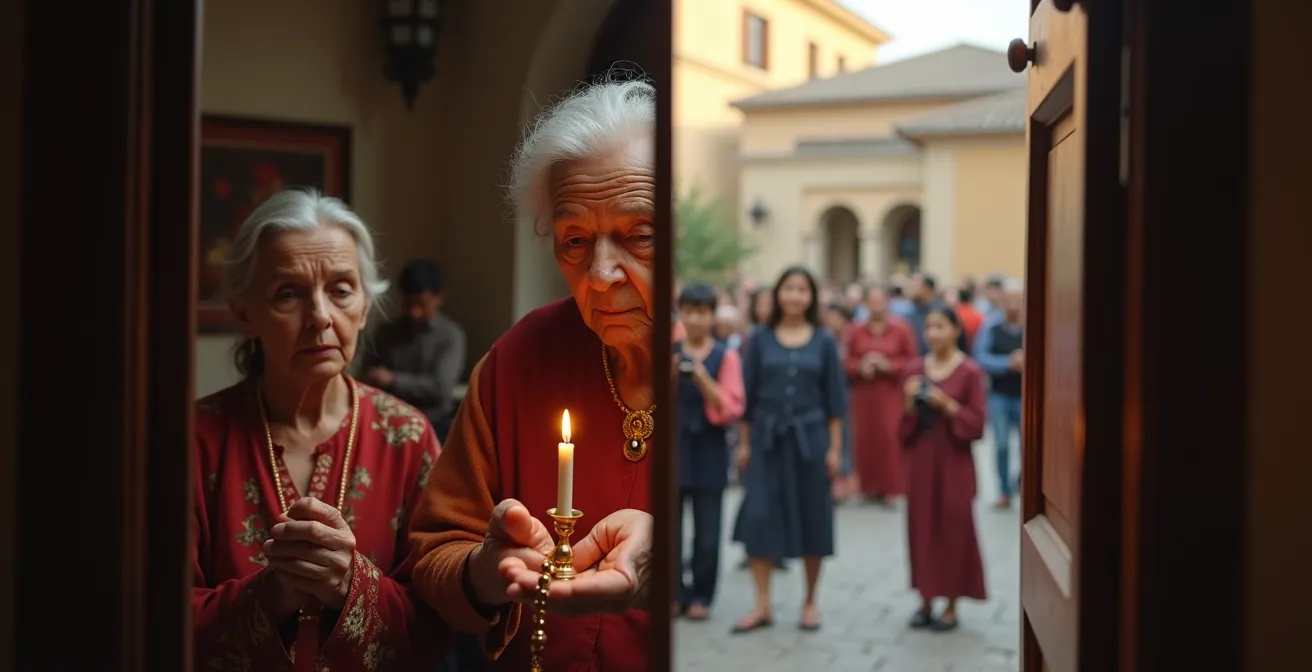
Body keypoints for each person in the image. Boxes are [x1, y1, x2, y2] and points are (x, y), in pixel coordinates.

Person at [404, 78, 660, 671]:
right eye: (575, 239)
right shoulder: (519, 358)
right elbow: (436, 549)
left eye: (639, 235)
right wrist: (485, 573)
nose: (600, 274)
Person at [192, 189, 449, 671]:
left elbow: (436, 622)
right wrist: (270, 594)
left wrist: (349, 584)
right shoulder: (196, 440)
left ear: (365, 307)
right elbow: (152, 619)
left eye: (341, 289)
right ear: (246, 314)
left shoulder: (408, 438)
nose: (320, 317)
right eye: (288, 293)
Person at [731, 266, 849, 634]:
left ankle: (810, 602)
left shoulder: (825, 342)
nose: (795, 295)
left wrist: (834, 451)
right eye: (789, 288)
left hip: (810, 441)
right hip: (765, 440)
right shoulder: (759, 339)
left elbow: (836, 404)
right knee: (759, 517)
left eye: (802, 289)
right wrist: (744, 444)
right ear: (778, 294)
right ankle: (762, 603)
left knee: (814, 517)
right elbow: (747, 400)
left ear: (812, 297)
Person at [900, 306, 988, 632]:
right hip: (923, 459)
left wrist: (945, 403)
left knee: (954, 526)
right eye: (929, 327)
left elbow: (977, 425)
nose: (933, 334)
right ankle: (925, 599)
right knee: (921, 526)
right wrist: (910, 403)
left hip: (955, 459)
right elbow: (903, 432)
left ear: (955, 329)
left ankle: (951, 602)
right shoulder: (913, 369)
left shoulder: (970, 372)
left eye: (940, 326)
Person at [672, 283, 746, 620]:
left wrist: (701, 377)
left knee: (707, 532)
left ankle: (702, 594)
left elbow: (731, 407)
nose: (695, 318)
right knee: (668, 530)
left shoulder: (726, 356)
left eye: (701, 312)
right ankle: (673, 592)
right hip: (673, 449)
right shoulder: (669, 352)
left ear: (712, 315)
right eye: (688, 311)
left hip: (709, 450)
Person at [360, 259, 466, 442]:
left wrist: (393, 380)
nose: (414, 312)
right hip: (387, 420)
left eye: (421, 304)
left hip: (433, 423)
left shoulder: (450, 336)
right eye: (408, 304)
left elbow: (440, 387)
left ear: (439, 297)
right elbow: (365, 372)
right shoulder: (387, 331)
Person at [845, 288, 917, 505]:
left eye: (880, 302)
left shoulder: (901, 329)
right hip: (863, 394)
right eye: (872, 302)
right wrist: (861, 365)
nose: (876, 307)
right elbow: (846, 361)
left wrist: (889, 366)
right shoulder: (856, 331)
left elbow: (912, 362)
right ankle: (867, 487)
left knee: (890, 436)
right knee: (864, 438)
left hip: (891, 392)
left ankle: (891, 488)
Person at [972, 279, 1024, 508]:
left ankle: (1024, 485)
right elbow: (980, 357)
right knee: (1001, 444)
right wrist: (1007, 363)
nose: (1013, 305)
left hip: (1026, 395)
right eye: (1009, 300)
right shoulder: (990, 327)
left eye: (1018, 301)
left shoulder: (1033, 326)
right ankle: (1004, 490)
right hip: (1000, 395)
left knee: (1029, 446)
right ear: (1002, 302)